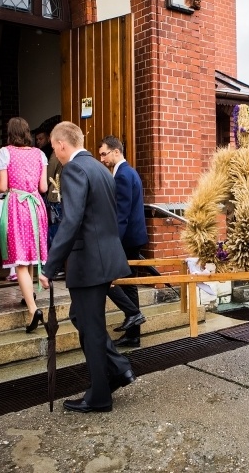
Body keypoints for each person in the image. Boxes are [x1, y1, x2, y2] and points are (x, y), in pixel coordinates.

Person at [39, 122, 135, 413]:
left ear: (62, 144)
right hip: (105, 257)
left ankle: (99, 396)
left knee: (90, 330)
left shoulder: (73, 169)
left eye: (54, 148)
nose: (55, 154)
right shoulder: (100, 168)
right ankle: (118, 367)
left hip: (89, 261)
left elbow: (71, 221)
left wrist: (49, 266)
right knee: (80, 316)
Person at [0, 117, 49, 333]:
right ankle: (29, 295)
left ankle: (33, 309)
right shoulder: (40, 154)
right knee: (30, 256)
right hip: (36, 204)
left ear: (10, 133)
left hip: (17, 204)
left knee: (20, 260)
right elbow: (43, 187)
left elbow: (3, 186)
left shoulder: (4, 152)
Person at [98, 135, 148, 348]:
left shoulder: (123, 175)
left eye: (104, 154)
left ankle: (134, 314)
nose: (102, 159)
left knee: (106, 279)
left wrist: (113, 243)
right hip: (133, 237)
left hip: (126, 239)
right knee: (128, 285)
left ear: (116, 151)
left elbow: (122, 215)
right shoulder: (128, 172)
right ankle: (133, 333)